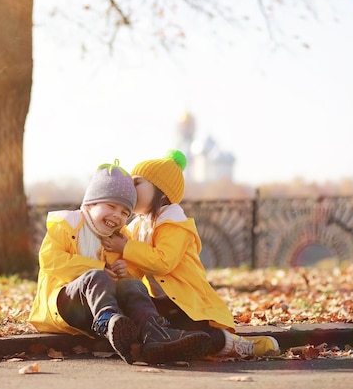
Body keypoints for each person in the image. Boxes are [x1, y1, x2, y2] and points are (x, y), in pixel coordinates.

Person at [27, 159, 211, 365]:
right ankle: (110, 322)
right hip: (66, 306)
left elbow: (130, 281)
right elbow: (50, 260)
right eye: (111, 206)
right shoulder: (66, 225)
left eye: (125, 212)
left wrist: (126, 272)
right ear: (91, 203)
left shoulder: (119, 237)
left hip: (95, 314)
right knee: (96, 276)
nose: (117, 215)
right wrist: (99, 268)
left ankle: (155, 335)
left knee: (133, 285)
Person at [101, 150, 280, 359]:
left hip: (185, 303)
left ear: (162, 191)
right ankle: (160, 345)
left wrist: (126, 248)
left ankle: (236, 345)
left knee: (199, 332)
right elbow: (139, 267)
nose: (130, 188)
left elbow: (163, 262)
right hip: (160, 304)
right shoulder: (138, 226)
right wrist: (124, 269)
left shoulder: (174, 223)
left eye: (137, 183)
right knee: (139, 310)